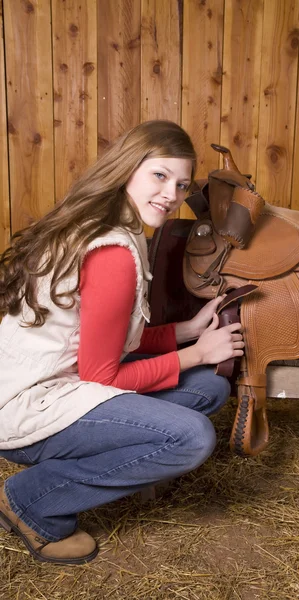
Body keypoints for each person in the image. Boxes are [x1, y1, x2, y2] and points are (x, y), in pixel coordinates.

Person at [0, 120, 244, 565]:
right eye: (159, 175)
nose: (171, 194)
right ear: (127, 169)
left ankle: (111, 461)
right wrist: (197, 353)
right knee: (191, 438)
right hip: (29, 406)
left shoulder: (114, 225)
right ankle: (32, 500)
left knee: (209, 388)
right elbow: (103, 375)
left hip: (58, 383)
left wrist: (187, 331)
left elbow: (107, 338)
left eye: (182, 183)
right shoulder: (113, 251)